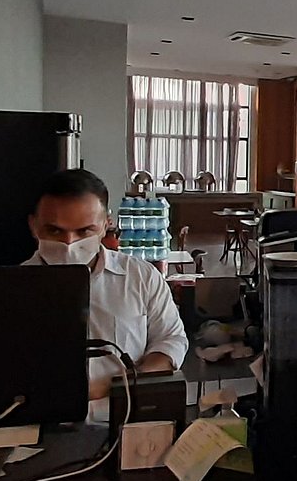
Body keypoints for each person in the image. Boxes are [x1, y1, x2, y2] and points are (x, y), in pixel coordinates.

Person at [24, 168, 187, 400]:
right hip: (41, 416)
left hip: (124, 411)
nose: (69, 243)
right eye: (54, 230)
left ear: (105, 224)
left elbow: (170, 340)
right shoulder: (10, 289)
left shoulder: (141, 277)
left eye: (84, 231)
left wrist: (123, 385)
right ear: (33, 225)